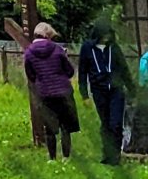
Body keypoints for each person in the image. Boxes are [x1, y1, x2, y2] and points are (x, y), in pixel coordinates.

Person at [24, 22, 80, 161]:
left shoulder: (29, 52)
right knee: (65, 126)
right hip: (63, 92)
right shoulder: (57, 49)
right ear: (48, 35)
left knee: (49, 128)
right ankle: (66, 157)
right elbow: (70, 71)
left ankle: (52, 158)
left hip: (45, 93)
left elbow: (30, 75)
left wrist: (40, 81)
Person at [78, 19, 130, 164]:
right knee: (105, 123)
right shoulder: (87, 48)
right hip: (99, 90)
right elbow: (83, 72)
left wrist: (132, 89)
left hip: (116, 90)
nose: (106, 38)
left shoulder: (114, 48)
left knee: (116, 123)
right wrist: (84, 95)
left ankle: (116, 155)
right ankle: (107, 154)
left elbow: (124, 69)